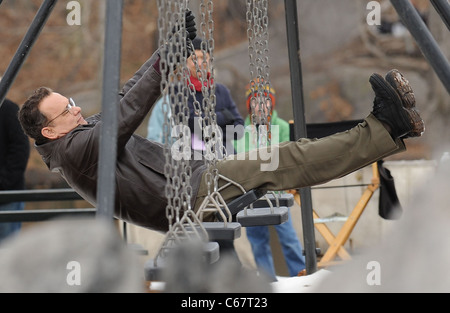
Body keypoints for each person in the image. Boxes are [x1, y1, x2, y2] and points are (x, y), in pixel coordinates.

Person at [18, 12, 425, 239]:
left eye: (71, 101)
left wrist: (167, 48)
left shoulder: (78, 134)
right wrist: (167, 60)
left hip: (195, 182)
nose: (77, 108)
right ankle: (385, 128)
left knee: (284, 158)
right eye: (65, 110)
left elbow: (123, 96)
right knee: (285, 159)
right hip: (190, 199)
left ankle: (388, 129)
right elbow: (126, 115)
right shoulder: (74, 153)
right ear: (50, 131)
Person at [146, 36, 245, 260]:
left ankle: (228, 275)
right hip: (194, 169)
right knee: (203, 227)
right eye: (195, 58)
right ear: (186, 64)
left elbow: (239, 127)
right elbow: (189, 124)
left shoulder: (221, 91)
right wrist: (223, 118)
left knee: (224, 225)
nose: (200, 62)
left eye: (204, 58)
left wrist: (212, 120)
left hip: (224, 164)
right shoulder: (178, 93)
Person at [234, 82, 305, 281]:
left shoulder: (281, 127)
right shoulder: (241, 130)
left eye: (265, 102)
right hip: (251, 192)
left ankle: (299, 272)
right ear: (250, 106)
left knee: (288, 236)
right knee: (257, 239)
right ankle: (267, 278)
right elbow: (241, 156)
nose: (260, 107)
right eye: (256, 103)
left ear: (271, 104)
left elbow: (285, 154)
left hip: (277, 191)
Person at [0, 95, 30, 243]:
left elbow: (20, 148)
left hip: (7, 196)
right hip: (8, 191)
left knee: (7, 249)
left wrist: (4, 182)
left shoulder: (9, 109)